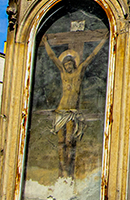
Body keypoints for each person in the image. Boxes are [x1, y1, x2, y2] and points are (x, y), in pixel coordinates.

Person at [43, 34, 107, 178]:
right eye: (66, 64)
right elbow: (53, 57)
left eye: (70, 64)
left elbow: (91, 56)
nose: (68, 66)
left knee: (69, 140)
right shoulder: (63, 74)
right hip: (61, 111)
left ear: (74, 64)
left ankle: (69, 167)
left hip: (72, 112)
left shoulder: (79, 72)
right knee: (60, 141)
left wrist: (103, 40)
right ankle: (63, 169)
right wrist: (46, 43)